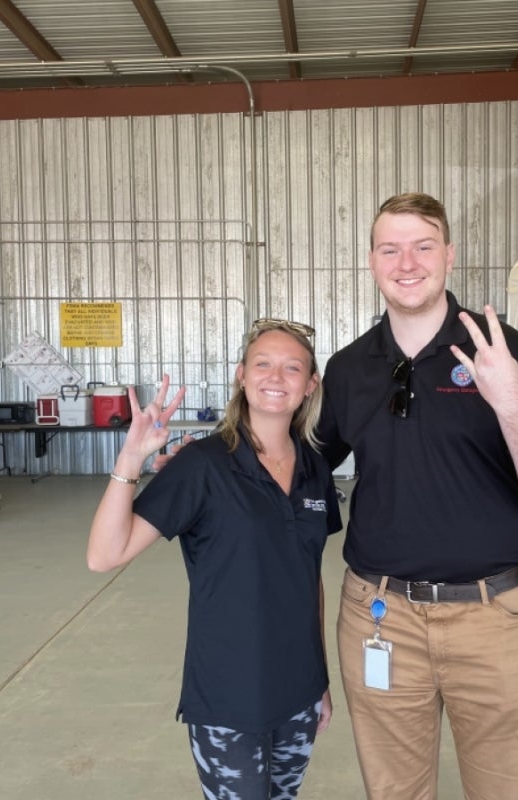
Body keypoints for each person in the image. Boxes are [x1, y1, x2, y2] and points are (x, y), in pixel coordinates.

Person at [316, 191, 518, 799]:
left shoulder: (507, 353)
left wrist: (509, 398)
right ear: (371, 261)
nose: (406, 262)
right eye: (391, 248)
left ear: (450, 256)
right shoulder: (350, 368)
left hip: (495, 620)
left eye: (423, 246)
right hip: (380, 618)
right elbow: (303, 468)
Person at [87, 318, 342, 800]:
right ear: (241, 376)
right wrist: (130, 459)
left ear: (310, 386)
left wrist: (320, 681)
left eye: (292, 368)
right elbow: (105, 555)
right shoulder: (202, 464)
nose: (275, 377)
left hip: (299, 691)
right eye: (262, 364)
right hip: (229, 695)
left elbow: (309, 580)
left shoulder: (315, 469)